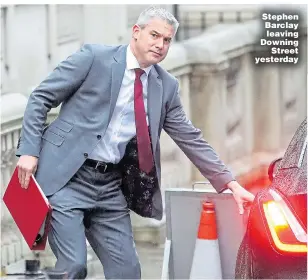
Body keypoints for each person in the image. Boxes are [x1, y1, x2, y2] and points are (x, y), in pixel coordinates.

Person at [16, 6, 255, 280]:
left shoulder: (166, 87)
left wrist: (229, 183)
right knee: (74, 267)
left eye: (167, 40)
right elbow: (40, 98)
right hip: (67, 179)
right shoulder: (94, 58)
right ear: (136, 33)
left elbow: (190, 137)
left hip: (109, 188)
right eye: (154, 35)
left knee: (127, 272)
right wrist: (29, 151)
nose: (160, 45)